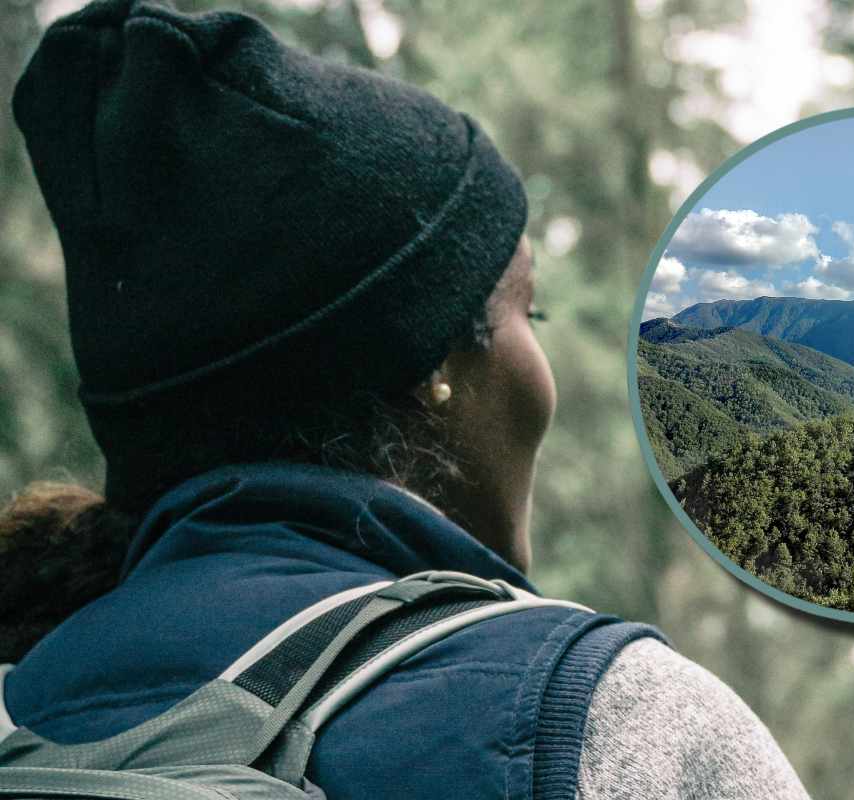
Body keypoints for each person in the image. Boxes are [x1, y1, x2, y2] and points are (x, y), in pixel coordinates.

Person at [0, 0, 810, 797]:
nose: (543, 367)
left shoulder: (20, 704)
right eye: (530, 311)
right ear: (432, 362)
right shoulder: (606, 719)